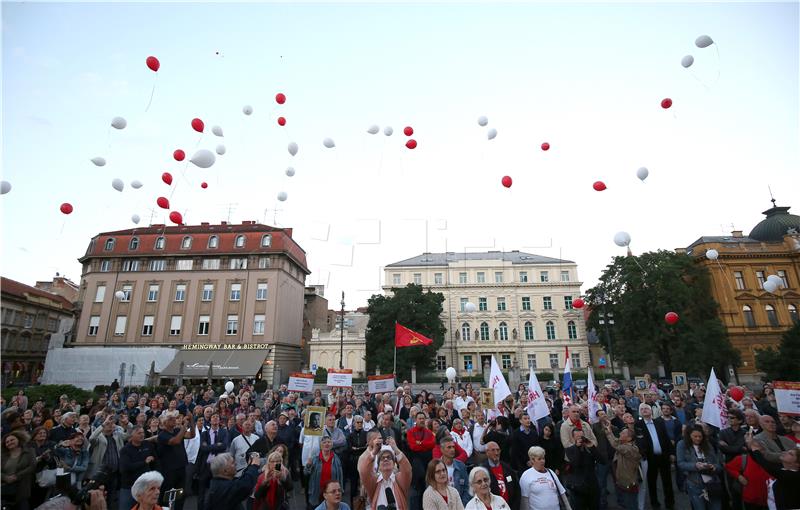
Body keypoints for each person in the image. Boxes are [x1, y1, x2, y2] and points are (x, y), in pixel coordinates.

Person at [746, 431, 800, 510]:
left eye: (790, 454)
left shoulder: (794, 476)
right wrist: (751, 447)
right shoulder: (782, 468)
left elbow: (767, 466)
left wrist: (755, 450)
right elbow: (760, 462)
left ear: (797, 464)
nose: (785, 453)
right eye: (787, 451)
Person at [636, 402, 674, 510]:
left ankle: (670, 503)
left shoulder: (659, 422)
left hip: (663, 456)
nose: (644, 410)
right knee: (652, 482)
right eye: (642, 409)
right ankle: (655, 503)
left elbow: (666, 438)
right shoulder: (638, 425)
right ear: (640, 412)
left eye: (646, 408)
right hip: (650, 458)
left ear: (651, 410)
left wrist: (671, 453)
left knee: (667, 481)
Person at [676, 424, 723, 510]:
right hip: (695, 483)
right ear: (689, 436)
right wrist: (695, 465)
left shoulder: (707, 444)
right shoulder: (682, 444)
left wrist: (713, 467)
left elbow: (718, 464)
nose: (698, 439)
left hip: (712, 483)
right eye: (695, 436)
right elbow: (680, 463)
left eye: (700, 436)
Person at [155, 410, 195, 510]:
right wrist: (185, 425)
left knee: (180, 494)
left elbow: (192, 435)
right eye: (170, 419)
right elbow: (176, 441)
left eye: (174, 418)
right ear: (164, 423)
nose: (173, 420)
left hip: (181, 468)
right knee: (166, 495)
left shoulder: (177, 431)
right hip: (169, 470)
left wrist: (192, 421)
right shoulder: (162, 435)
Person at [358, 438, 411, 510]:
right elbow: (363, 471)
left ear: (394, 463)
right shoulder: (374, 482)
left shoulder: (399, 480)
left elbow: (407, 470)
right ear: (378, 466)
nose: (386, 459)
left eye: (389, 457)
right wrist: (374, 452)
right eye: (382, 458)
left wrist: (395, 449)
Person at [563, 428, 603, 510]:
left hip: (592, 485)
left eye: (581, 436)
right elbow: (575, 463)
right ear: (573, 438)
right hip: (578, 486)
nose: (580, 439)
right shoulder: (569, 450)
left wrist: (592, 447)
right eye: (577, 437)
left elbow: (602, 461)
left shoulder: (589, 448)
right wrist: (577, 448)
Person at [119, 426, 158, 510]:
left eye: (143, 433)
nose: (142, 435)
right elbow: (125, 467)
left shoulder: (148, 445)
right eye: (139, 433)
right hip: (129, 486)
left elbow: (155, 462)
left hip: (146, 486)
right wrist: (144, 462)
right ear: (131, 435)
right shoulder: (125, 450)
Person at [519, 446, 568, 510]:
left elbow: (562, 493)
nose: (542, 461)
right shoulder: (526, 475)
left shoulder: (551, 472)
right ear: (532, 460)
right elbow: (524, 500)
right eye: (539, 459)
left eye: (543, 458)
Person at [306, 436, 344, 508]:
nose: (327, 444)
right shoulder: (315, 459)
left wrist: (340, 489)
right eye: (324, 442)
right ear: (321, 445)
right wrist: (308, 465)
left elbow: (340, 475)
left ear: (332, 445)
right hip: (317, 490)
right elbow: (306, 473)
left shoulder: (336, 459)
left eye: (329, 442)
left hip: (331, 491)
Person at [481, 441, 519, 510]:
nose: (496, 453)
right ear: (487, 452)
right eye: (493, 450)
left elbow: (517, 489)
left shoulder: (508, 468)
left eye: (498, 450)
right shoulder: (482, 471)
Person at [2, 430, 35, 510]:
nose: (9, 442)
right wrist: (5, 478)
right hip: (5, 490)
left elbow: (32, 467)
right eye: (7, 442)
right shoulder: (2, 456)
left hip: (22, 489)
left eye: (12, 440)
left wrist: (17, 476)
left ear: (18, 440)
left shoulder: (29, 451)